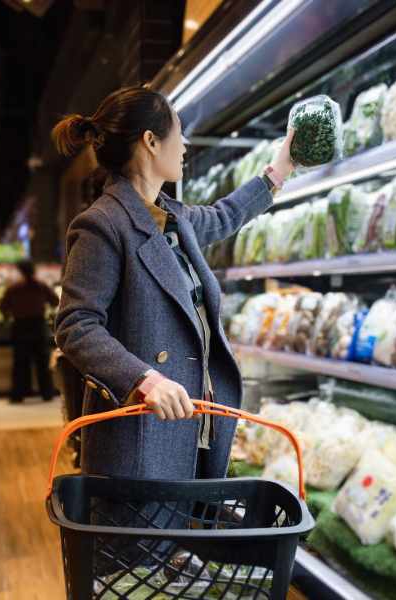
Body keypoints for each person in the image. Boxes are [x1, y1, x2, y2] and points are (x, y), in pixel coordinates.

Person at [53, 86, 294, 484]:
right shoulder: (102, 224)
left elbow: (224, 215)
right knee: (145, 544)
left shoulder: (172, 218)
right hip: (140, 438)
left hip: (191, 429)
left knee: (182, 541)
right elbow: (75, 325)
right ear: (150, 141)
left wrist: (281, 168)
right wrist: (144, 380)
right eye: (178, 132)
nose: (183, 145)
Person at [0, 259, 59, 404]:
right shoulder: (40, 286)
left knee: (20, 363)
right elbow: (55, 301)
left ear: (20, 270)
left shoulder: (14, 288)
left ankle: (18, 395)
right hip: (38, 325)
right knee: (42, 363)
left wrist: (10, 314)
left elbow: (2, 306)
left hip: (20, 327)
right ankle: (47, 394)